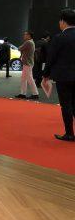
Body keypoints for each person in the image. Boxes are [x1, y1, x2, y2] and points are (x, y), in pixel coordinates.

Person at [43, 9, 75, 142]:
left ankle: (70, 133)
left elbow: (51, 58)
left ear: (63, 21)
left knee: (66, 105)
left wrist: (46, 74)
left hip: (63, 76)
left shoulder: (59, 38)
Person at [16, 31, 39, 100]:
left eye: (25, 34)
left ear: (29, 35)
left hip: (27, 63)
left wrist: (21, 47)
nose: (24, 35)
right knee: (24, 78)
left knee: (29, 78)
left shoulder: (28, 42)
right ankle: (23, 93)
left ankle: (35, 94)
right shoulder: (31, 42)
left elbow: (19, 48)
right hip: (28, 63)